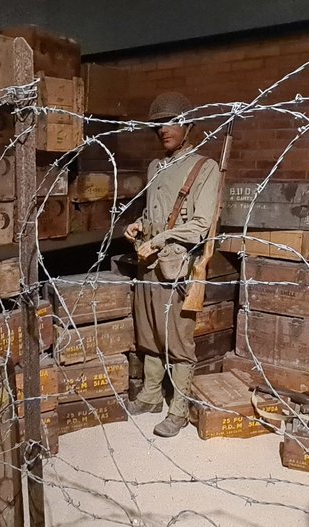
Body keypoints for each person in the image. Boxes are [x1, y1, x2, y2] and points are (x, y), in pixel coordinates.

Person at [125, 91, 221, 437]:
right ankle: (151, 395)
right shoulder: (155, 167)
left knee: (178, 340)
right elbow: (156, 214)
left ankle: (178, 409)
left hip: (177, 265)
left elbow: (199, 224)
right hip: (148, 263)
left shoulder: (204, 168)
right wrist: (139, 225)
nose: (164, 129)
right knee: (149, 331)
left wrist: (161, 239)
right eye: (158, 124)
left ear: (188, 126)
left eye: (172, 122)